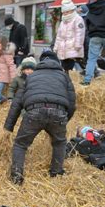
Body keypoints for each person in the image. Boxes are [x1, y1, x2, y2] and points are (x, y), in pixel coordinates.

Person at [4, 50, 76, 185]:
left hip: (34, 112)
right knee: (59, 143)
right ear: (57, 62)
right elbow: (72, 103)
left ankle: (16, 175)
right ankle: (56, 173)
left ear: (40, 62)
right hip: (58, 112)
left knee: (20, 144)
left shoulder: (31, 76)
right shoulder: (64, 76)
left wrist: (9, 126)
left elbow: (17, 103)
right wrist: (65, 119)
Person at [53, 0, 86, 75]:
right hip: (63, 47)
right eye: (64, 12)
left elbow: (80, 33)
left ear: (72, 10)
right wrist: (56, 47)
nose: (65, 14)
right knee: (65, 65)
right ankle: (66, 77)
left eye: (67, 12)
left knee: (74, 63)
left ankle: (89, 73)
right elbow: (59, 36)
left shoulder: (78, 19)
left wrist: (78, 45)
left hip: (73, 46)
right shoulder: (63, 21)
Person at [0, 36, 16, 109]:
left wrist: (13, 77)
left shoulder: (7, 53)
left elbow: (11, 65)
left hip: (3, 76)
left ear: (3, 44)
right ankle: (3, 99)